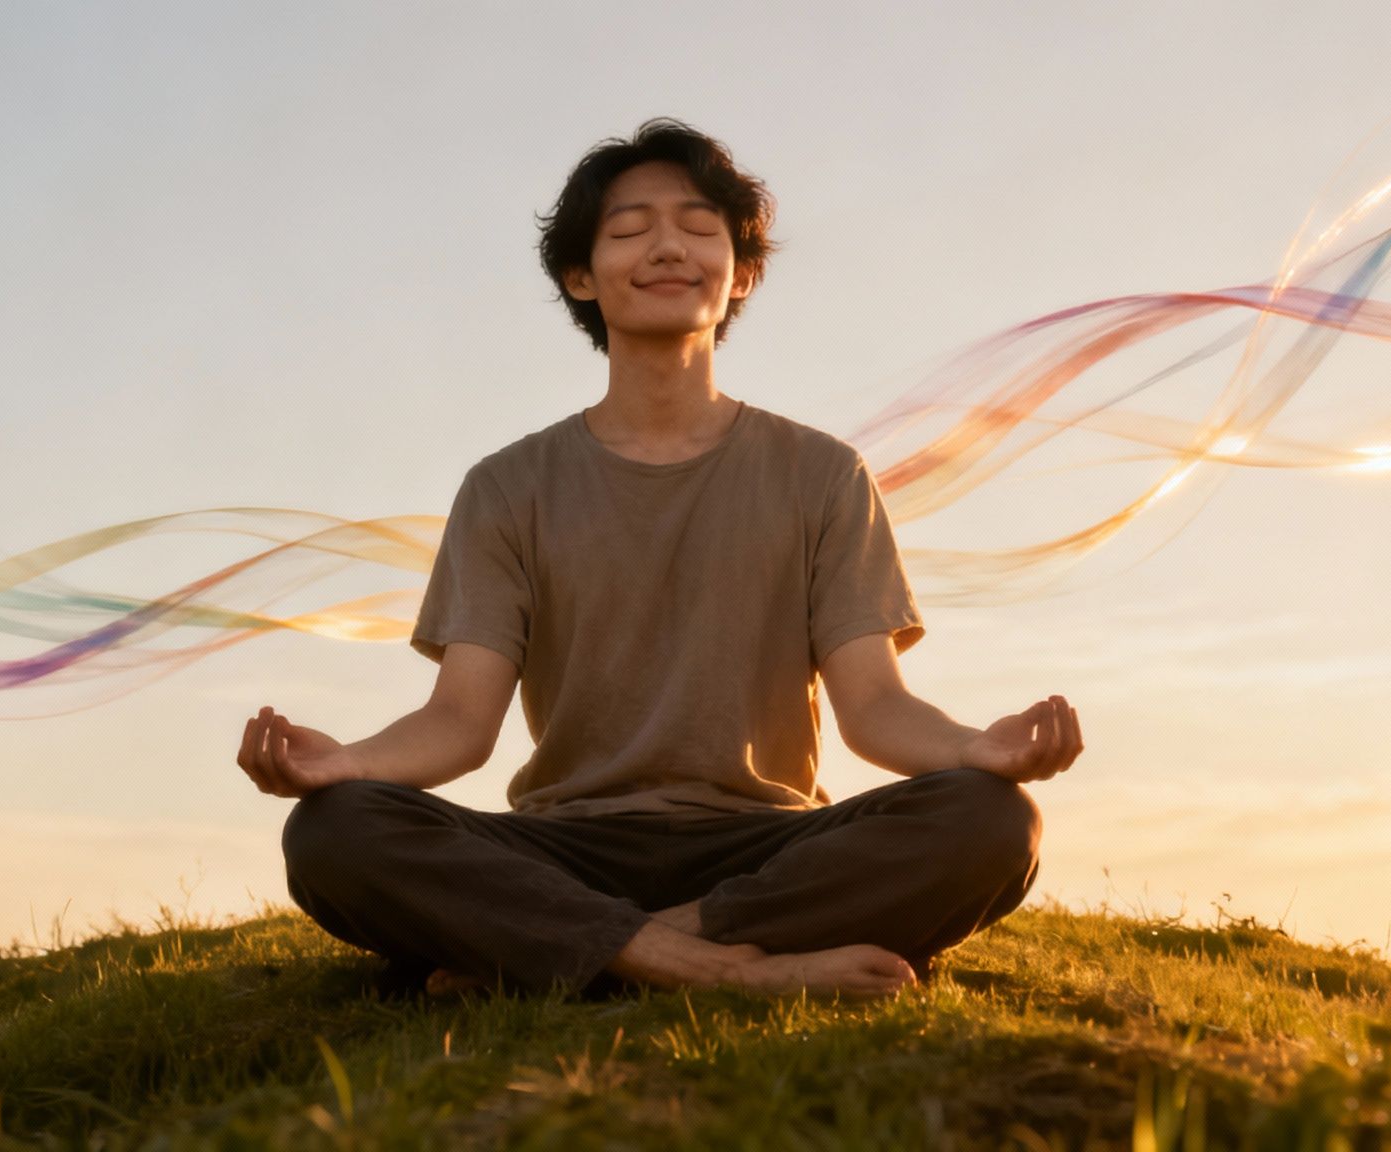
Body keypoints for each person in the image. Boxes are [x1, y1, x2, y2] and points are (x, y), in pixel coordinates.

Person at [235, 117, 1082, 1000]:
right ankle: (726, 970)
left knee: (990, 820)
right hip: (566, 847)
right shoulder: (506, 486)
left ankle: (567, 955)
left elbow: (873, 707)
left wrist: (975, 747)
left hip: (764, 850)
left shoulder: (823, 474)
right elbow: (459, 724)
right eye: (631, 230)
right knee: (335, 832)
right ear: (580, 276)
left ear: (741, 271)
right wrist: (346, 767)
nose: (668, 248)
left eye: (700, 228)